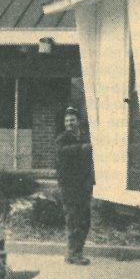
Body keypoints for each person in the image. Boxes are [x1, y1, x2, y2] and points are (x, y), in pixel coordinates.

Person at [55, 107, 95, 266]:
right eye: (67, 121)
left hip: (84, 186)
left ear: (78, 121)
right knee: (73, 220)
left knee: (85, 220)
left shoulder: (85, 137)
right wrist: (81, 148)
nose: (69, 123)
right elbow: (61, 151)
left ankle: (78, 251)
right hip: (70, 187)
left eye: (72, 120)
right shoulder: (62, 138)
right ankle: (73, 254)